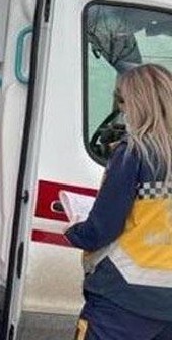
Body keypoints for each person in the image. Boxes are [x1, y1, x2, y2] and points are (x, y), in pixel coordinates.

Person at [65, 64, 172, 340]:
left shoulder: (134, 153)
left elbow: (103, 228)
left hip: (124, 297)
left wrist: (74, 231)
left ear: (136, 103)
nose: (121, 110)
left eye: (121, 101)